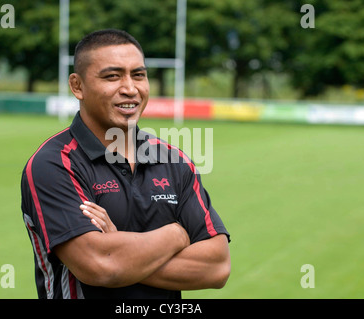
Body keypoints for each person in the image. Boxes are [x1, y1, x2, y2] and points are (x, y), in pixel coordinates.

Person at [21, 29, 231, 299]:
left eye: (139, 75)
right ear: (77, 86)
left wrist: (122, 250)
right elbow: (101, 266)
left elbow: (216, 267)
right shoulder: (54, 164)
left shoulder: (175, 161)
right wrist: (176, 235)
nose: (130, 89)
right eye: (112, 76)